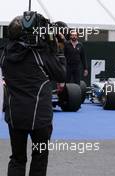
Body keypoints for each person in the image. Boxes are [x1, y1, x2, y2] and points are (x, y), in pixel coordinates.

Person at [0, 15, 66, 176]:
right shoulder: (40, 55)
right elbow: (61, 75)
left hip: (14, 115)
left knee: (17, 158)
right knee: (40, 157)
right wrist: (58, 48)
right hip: (40, 117)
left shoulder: (4, 55)